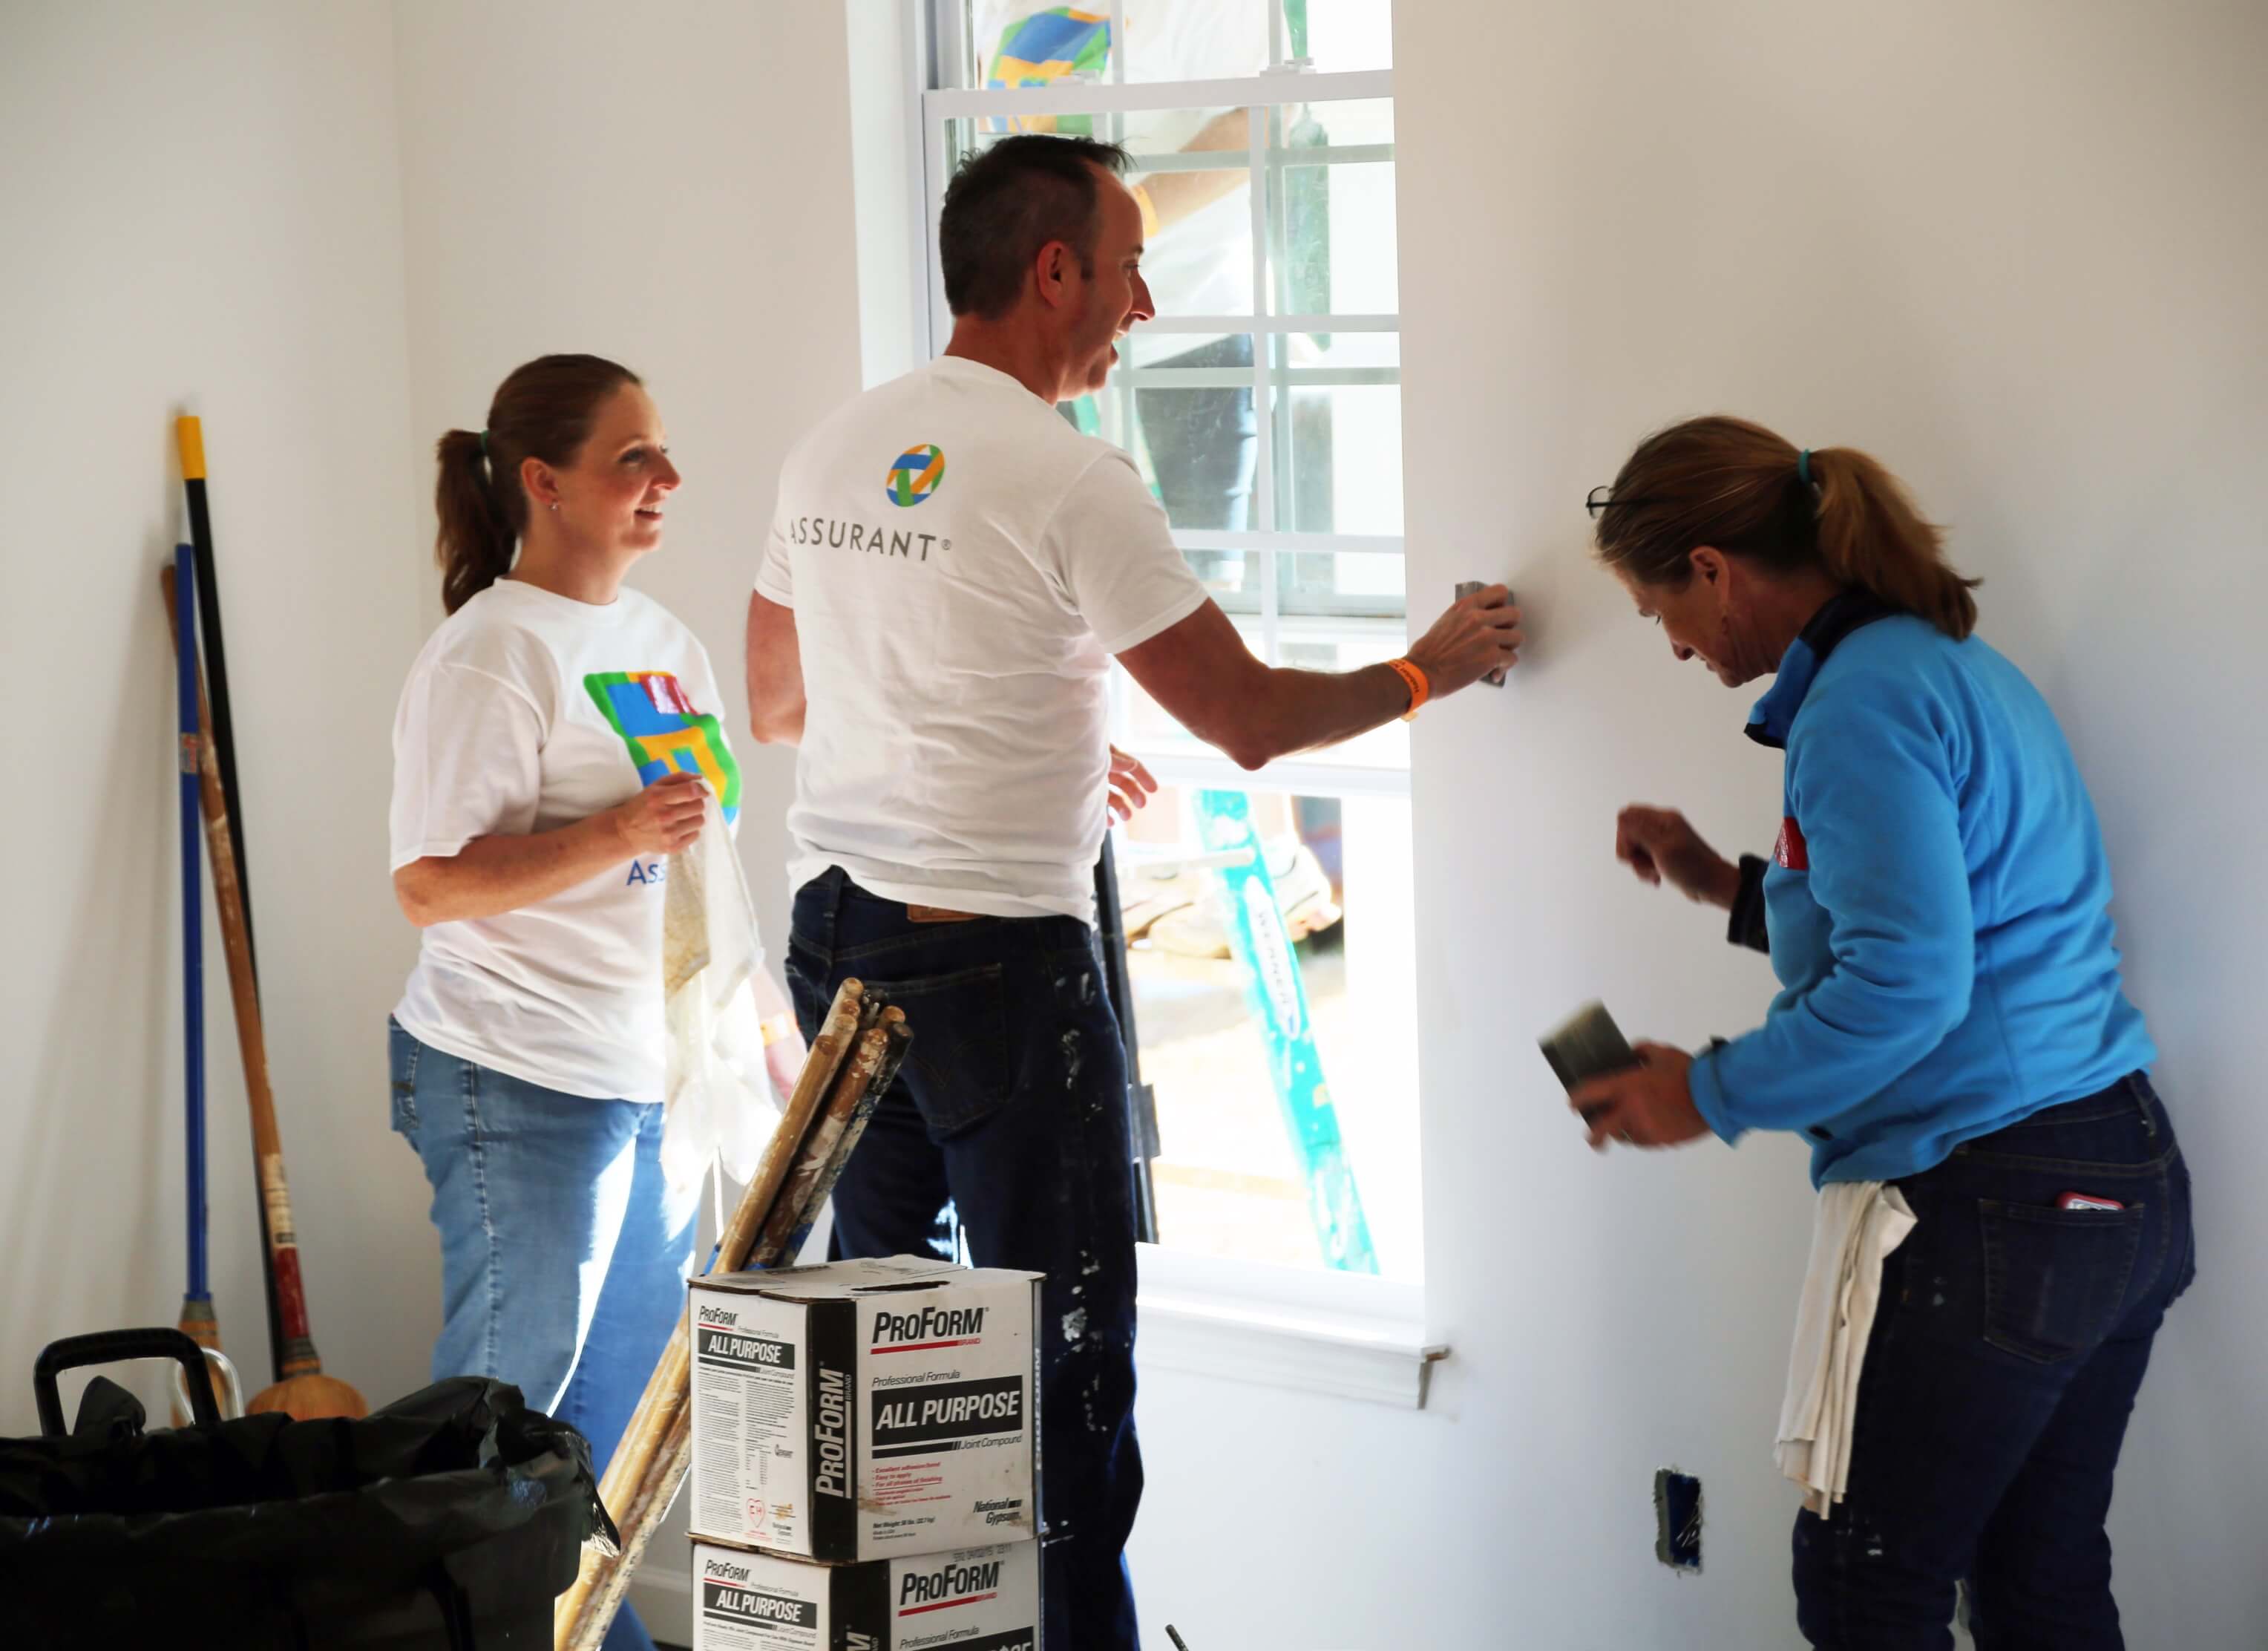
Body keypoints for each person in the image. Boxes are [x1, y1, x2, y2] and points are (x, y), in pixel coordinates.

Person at [745, 135, 1520, 1650]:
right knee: (1064, 1390)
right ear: (1054, 274)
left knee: (891, 1375)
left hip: (838, 942)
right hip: (991, 977)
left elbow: (786, 701)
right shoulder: (1067, 475)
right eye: (1129, 268)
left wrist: (1030, 739)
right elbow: (1246, 719)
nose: (1144, 304)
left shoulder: (834, 445)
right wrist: (1435, 661)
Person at [1571, 415, 2195, 1650]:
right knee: (2041, 1584)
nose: (1678, 647)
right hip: (2114, 1181)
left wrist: (1707, 1091)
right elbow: (1932, 914)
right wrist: (1717, 881)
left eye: (1662, 614)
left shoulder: (1857, 704)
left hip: (2000, 1196)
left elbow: (1908, 987)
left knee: (1869, 1589)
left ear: (1712, 567)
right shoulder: (1939, 664)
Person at [386, 355, 804, 1651]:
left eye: (663, 453)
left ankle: (590, 1636)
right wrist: (616, 824)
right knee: (502, 1424)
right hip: (517, 1076)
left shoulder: (665, 645)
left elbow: (704, 875)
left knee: (618, 1422)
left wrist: (769, 1031)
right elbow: (431, 885)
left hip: (652, 1075)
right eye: (634, 458)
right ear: (543, 482)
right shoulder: (490, 655)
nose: (666, 480)